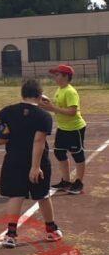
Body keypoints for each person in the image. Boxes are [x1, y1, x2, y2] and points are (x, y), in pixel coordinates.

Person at [0, 79, 62, 249]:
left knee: (16, 196)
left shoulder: (9, 110)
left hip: (14, 160)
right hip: (38, 161)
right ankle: (51, 230)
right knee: (42, 195)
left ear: (22, 94)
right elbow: (38, 141)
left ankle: (11, 235)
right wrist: (35, 166)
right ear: (40, 96)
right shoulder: (43, 116)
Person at [40, 64, 89, 195]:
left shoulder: (70, 91)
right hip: (63, 128)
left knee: (77, 155)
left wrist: (52, 108)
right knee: (59, 153)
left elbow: (72, 112)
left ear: (66, 76)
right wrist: (48, 104)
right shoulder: (60, 90)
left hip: (74, 128)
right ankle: (66, 181)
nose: (55, 77)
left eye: (57, 75)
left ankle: (79, 183)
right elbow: (60, 108)